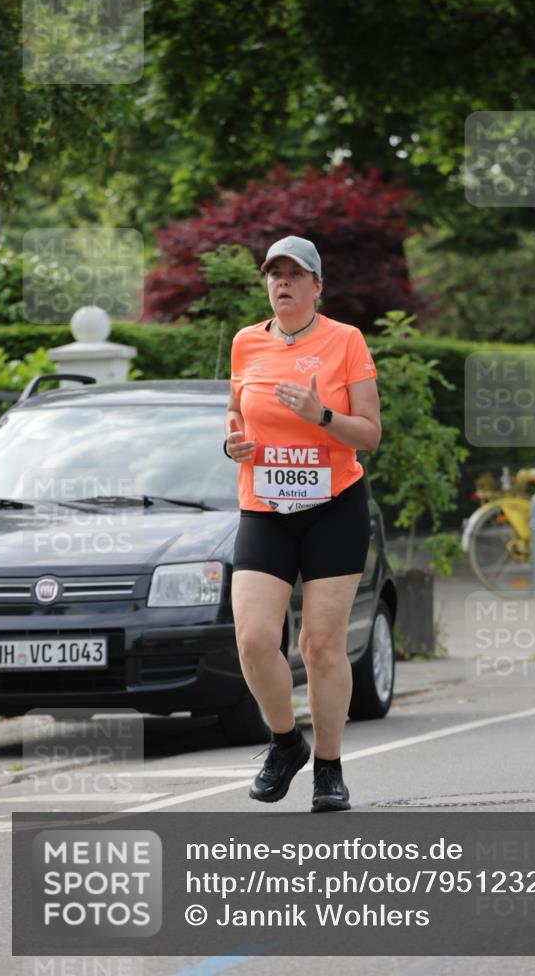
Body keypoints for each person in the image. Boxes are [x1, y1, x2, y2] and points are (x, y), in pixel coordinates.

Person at [224, 235, 381, 812]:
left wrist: (322, 416)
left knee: (319, 645)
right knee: (255, 637)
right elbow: (237, 410)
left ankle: (330, 770)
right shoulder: (247, 344)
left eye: (295, 274)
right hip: (264, 506)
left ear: (318, 285)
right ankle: (286, 742)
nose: (283, 283)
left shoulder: (345, 341)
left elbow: (369, 433)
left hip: (333, 506)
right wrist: (232, 442)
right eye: (274, 273)